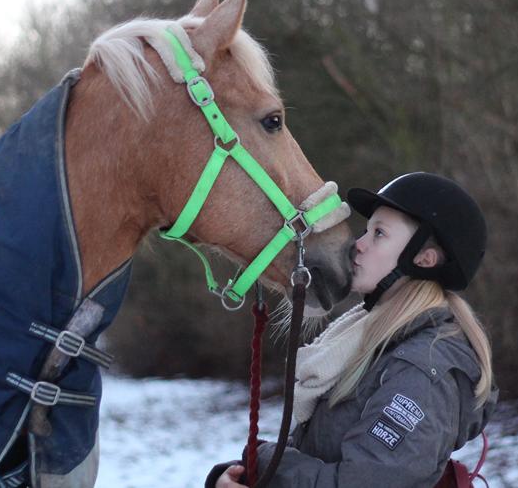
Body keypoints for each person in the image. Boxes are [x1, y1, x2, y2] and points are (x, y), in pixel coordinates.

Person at [208, 172, 497, 488]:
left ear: (424, 259)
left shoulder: (421, 371)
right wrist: (238, 474)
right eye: (366, 230)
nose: (357, 245)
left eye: (379, 234)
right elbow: (322, 455)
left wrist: (264, 461)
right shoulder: (368, 342)